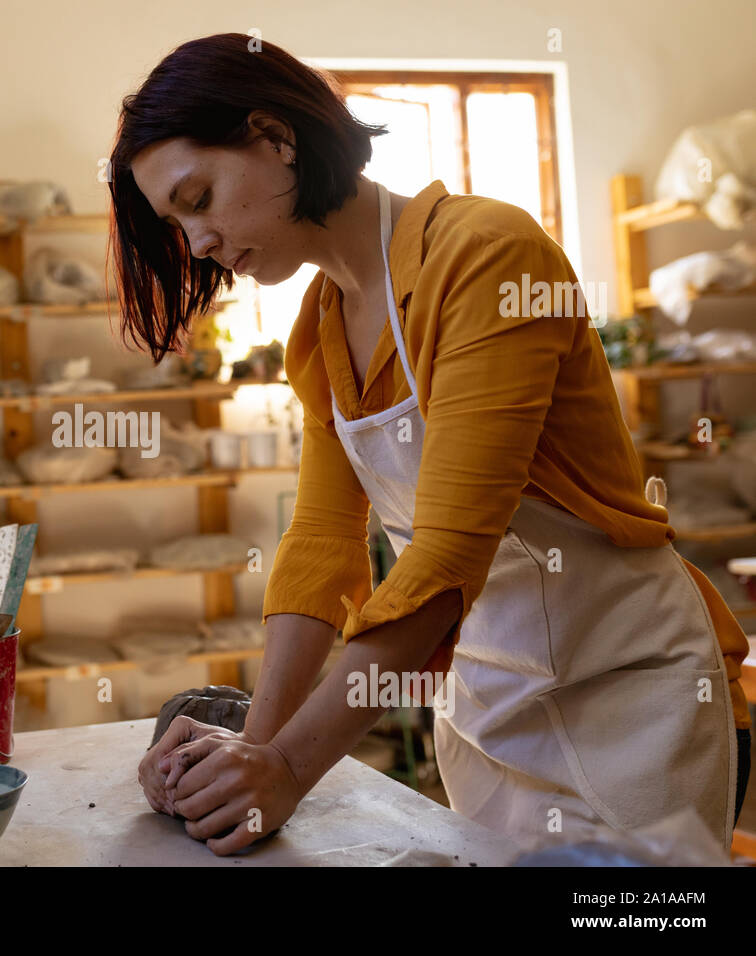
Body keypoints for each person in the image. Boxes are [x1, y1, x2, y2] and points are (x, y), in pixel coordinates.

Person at [109, 33, 751, 856]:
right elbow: (318, 547)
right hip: (489, 712)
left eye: (198, 197)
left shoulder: (485, 255)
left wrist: (288, 772)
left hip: (627, 701)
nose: (195, 242)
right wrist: (252, 757)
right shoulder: (319, 327)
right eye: (175, 223)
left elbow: (447, 556)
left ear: (275, 138)